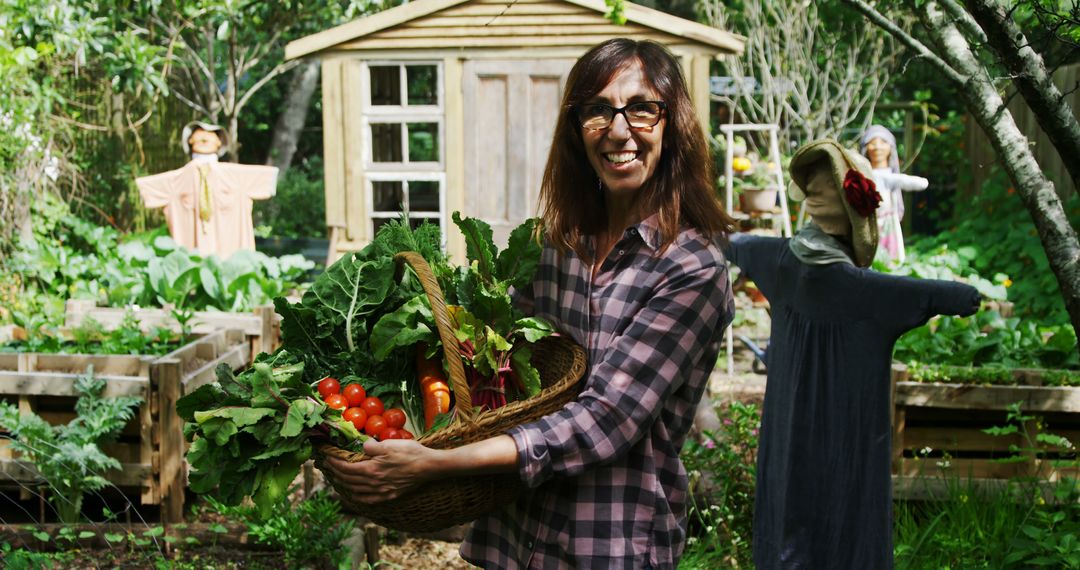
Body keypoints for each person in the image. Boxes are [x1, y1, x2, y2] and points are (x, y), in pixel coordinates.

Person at [321, 38, 736, 569]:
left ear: (672, 123)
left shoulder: (690, 268)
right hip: (516, 536)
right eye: (597, 110)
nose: (617, 129)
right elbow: (502, 361)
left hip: (607, 542)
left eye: (641, 108)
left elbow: (606, 419)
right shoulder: (557, 246)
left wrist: (438, 465)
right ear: (575, 129)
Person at [725, 139, 980, 569]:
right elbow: (954, 296)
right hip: (846, 447)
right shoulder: (871, 294)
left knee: (785, 526)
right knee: (845, 530)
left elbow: (733, 243)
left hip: (786, 438)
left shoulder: (777, 262)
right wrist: (964, 296)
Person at [135, 121, 278, 259]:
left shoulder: (238, 177)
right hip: (191, 262)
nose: (204, 138)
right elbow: (145, 189)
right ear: (190, 141)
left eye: (210, 135)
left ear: (219, 142)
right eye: (200, 134)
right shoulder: (175, 181)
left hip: (231, 261)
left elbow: (269, 179)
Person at [859, 124, 929, 263]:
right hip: (866, 224)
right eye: (872, 143)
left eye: (882, 142)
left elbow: (917, 183)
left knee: (890, 259)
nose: (877, 147)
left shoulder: (891, 178)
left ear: (890, 147)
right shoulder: (861, 177)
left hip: (888, 224)